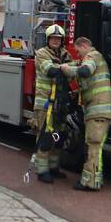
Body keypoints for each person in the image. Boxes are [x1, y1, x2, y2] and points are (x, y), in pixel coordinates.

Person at [61, 36, 111, 191]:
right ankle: (96, 179)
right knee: (97, 147)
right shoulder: (97, 58)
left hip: (97, 110)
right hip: (102, 110)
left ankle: (89, 182)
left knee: (93, 146)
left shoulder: (92, 56)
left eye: (78, 51)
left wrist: (67, 70)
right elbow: (90, 81)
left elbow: (85, 71)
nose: (77, 54)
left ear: (84, 45)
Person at [33, 25, 73, 183]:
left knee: (60, 137)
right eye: (53, 38)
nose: (56, 41)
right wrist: (66, 68)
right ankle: (42, 171)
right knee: (45, 137)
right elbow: (50, 70)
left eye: (58, 38)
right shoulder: (41, 53)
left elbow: (72, 73)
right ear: (48, 39)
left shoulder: (65, 54)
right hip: (45, 103)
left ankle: (54, 167)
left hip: (61, 102)